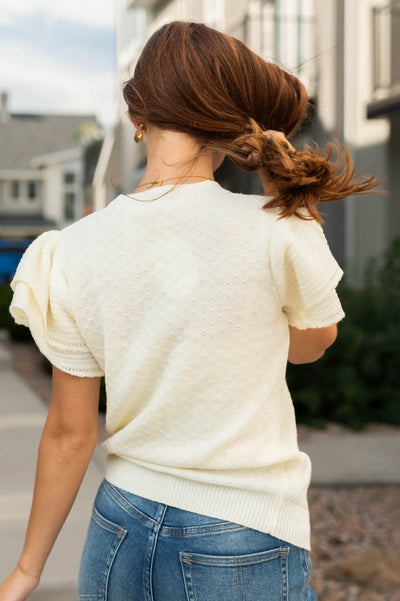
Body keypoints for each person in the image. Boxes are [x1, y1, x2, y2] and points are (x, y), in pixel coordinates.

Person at [0, 20, 383, 601]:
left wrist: (26, 571)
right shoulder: (279, 226)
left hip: (118, 530)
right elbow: (312, 343)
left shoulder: (70, 250)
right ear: (228, 126)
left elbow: (68, 435)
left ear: (136, 119)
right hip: (241, 533)